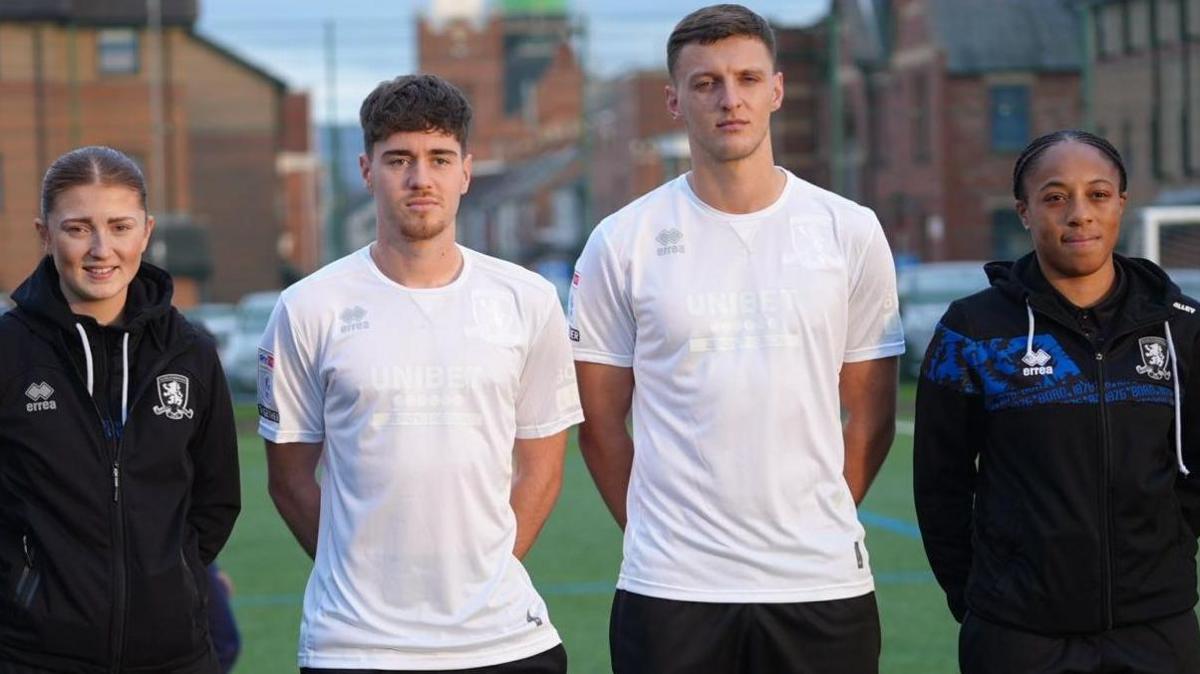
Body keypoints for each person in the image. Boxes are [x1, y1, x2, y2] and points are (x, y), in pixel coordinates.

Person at [567, 5, 905, 673]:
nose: (730, 99)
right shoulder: (622, 240)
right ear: (674, 101)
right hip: (672, 588)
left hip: (819, 580)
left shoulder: (849, 230)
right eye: (705, 83)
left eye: (747, 78)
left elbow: (871, 414)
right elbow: (601, 424)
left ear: (775, 90)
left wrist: (815, 524)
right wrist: (656, 539)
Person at [259, 74, 582, 673]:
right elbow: (290, 478)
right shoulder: (308, 307)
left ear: (466, 170)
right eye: (399, 159)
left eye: (439, 159)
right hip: (355, 645)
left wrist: (489, 572)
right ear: (366, 169)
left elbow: (542, 462)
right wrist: (351, 569)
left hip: (505, 640)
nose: (419, 179)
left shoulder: (528, 299)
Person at [914, 129, 1200, 673]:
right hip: (1019, 636)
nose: (1079, 214)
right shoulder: (973, 331)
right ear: (1024, 211)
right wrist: (983, 598)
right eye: (1054, 197)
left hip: (1156, 630)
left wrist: (1161, 563)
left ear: (1121, 203)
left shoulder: (1179, 328)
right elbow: (940, 484)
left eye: (1097, 194)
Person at [0, 145, 240, 672]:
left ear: (146, 232)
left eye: (119, 226)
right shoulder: (10, 354)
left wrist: (171, 582)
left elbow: (216, 499)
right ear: (44, 234)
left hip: (175, 656)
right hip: (34, 656)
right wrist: (26, 590)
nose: (101, 249)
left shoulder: (191, 353)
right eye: (78, 228)